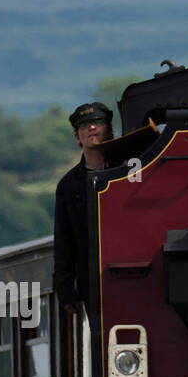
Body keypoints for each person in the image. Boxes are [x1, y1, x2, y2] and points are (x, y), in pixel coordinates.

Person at [54, 101, 114, 310]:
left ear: (109, 129)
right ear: (76, 136)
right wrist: (65, 288)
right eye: (83, 125)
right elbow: (64, 240)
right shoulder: (68, 185)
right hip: (91, 279)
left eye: (97, 122)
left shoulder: (129, 169)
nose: (91, 128)